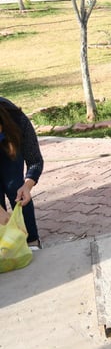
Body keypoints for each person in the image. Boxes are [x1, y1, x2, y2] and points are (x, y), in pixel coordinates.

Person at [0, 97, 43, 250]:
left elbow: (35, 160)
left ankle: (31, 240)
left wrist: (27, 185)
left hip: (9, 148)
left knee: (15, 187)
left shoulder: (17, 119)